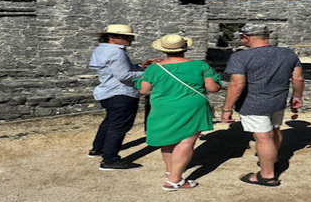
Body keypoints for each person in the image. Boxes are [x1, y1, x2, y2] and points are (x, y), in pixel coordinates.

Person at [135, 34, 221, 191]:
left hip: (162, 107)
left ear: (163, 50)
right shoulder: (200, 66)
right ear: (185, 49)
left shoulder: (154, 68)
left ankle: (170, 171)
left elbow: (144, 90)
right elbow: (212, 88)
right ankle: (174, 180)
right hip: (191, 106)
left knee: (167, 139)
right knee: (187, 141)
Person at [221, 24, 304, 187]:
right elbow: (298, 79)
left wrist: (226, 108)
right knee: (275, 131)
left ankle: (267, 175)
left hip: (252, 103)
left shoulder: (240, 57)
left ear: (247, 37)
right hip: (277, 101)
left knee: (263, 137)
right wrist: (297, 96)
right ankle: (273, 160)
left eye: (241, 37)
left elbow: (237, 85)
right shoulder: (288, 53)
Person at [89, 24, 161, 170]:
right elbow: (124, 75)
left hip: (109, 91)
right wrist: (149, 73)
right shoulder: (116, 52)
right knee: (119, 126)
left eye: (131, 36)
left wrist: (141, 66)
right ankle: (110, 159)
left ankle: (98, 148)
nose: (131, 39)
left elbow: (118, 70)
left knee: (110, 122)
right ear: (112, 37)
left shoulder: (102, 49)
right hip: (121, 92)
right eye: (127, 37)